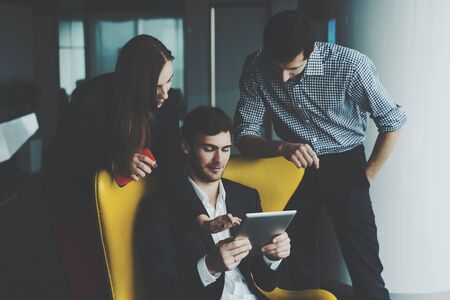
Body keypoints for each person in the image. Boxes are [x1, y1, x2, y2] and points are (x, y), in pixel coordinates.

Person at [233, 11, 407, 300]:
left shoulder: (351, 65)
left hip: (346, 162)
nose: (283, 78)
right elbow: (244, 134)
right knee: (298, 259)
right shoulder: (255, 65)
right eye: (276, 69)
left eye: (293, 69)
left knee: (364, 263)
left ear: (310, 51)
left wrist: (366, 177)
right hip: (291, 164)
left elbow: (393, 122)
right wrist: (281, 147)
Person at [44, 35, 230, 299]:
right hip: (75, 202)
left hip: (131, 202)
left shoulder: (165, 104)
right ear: (135, 84)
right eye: (156, 86)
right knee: (86, 280)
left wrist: (199, 217)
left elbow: (171, 167)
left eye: (170, 80)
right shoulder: (91, 101)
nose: (165, 93)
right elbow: (62, 161)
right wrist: (115, 158)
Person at [138, 106, 291, 299]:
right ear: (186, 147)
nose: (219, 159)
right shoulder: (158, 209)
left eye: (226, 149)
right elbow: (163, 290)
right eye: (209, 149)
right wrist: (210, 266)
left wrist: (272, 258)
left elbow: (266, 282)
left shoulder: (246, 196)